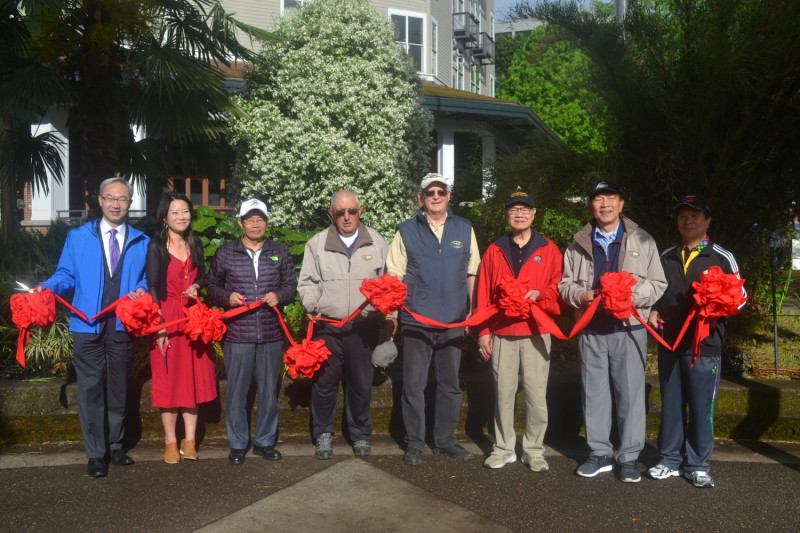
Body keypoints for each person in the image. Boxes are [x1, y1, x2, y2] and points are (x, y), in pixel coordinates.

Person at [36, 177, 149, 477]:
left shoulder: (142, 240)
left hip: (122, 324)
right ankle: (96, 453)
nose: (115, 204)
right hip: (86, 325)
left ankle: (115, 446)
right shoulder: (78, 237)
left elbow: (146, 280)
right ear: (99, 200)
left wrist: (142, 290)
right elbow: (66, 275)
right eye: (110, 198)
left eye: (122, 199)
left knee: (119, 387)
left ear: (129, 203)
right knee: (89, 389)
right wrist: (46, 287)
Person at [558, 180, 666, 483]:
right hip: (591, 328)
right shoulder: (578, 242)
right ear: (590, 205)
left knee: (630, 394)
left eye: (611, 198)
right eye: (598, 199)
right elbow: (564, 284)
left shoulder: (643, 240)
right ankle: (599, 453)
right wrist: (581, 296)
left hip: (629, 328)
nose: (604, 204)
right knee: (594, 393)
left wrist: (629, 298)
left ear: (621, 204)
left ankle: (629, 457)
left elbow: (658, 283)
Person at [647, 195, 746, 488]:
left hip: (705, 348)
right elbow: (655, 294)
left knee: (702, 409)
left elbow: (740, 300)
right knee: (672, 405)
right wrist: (652, 311)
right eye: (683, 217)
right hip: (670, 345)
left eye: (695, 216)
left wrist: (717, 306)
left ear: (707, 221)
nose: (688, 221)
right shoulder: (666, 256)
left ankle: (698, 464)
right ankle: (668, 460)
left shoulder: (722, 257)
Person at [385, 173, 481, 465]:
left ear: (449, 196)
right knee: (413, 384)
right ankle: (414, 443)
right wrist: (391, 314)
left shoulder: (465, 228)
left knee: (449, 384)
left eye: (441, 191)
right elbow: (394, 275)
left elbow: (472, 274)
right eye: (430, 193)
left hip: (453, 322)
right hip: (417, 321)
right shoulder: (405, 230)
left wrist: (474, 314)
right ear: (420, 197)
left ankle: (445, 441)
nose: (436, 196)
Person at [475, 190, 563, 471]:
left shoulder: (548, 249)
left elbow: (559, 287)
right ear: (506, 214)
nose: (520, 213)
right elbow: (483, 295)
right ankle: (503, 448)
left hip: (537, 330)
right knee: (503, 392)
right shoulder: (494, 249)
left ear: (534, 214)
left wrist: (541, 294)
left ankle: (534, 449)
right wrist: (483, 331)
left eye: (526, 209)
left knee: (537, 395)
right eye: (514, 209)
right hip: (502, 332)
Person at [205, 198, 297, 465]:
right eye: (250, 219)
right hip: (238, 334)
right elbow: (212, 285)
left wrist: (279, 295)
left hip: (270, 333)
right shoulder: (225, 252)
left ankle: (265, 442)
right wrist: (227, 296)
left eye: (260, 219)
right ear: (241, 223)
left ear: (267, 223)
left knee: (269, 390)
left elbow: (291, 285)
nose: (255, 224)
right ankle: (237, 443)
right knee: (237, 390)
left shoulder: (279, 250)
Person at [298, 190, 388, 459]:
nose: (346, 217)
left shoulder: (377, 242)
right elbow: (307, 283)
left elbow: (388, 283)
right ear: (332, 214)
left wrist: (388, 318)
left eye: (351, 211)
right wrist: (310, 302)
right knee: (324, 384)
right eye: (340, 212)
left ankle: (359, 434)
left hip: (364, 327)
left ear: (360, 210)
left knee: (361, 384)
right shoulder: (317, 243)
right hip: (327, 327)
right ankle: (323, 434)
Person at [146, 192, 217, 464]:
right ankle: (170, 442)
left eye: (185, 211)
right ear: (165, 217)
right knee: (169, 379)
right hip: (167, 318)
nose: (181, 216)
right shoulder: (157, 247)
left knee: (194, 378)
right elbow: (153, 287)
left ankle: (189, 440)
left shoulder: (195, 243)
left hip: (193, 318)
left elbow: (205, 276)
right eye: (175, 212)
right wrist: (159, 327)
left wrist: (197, 286)